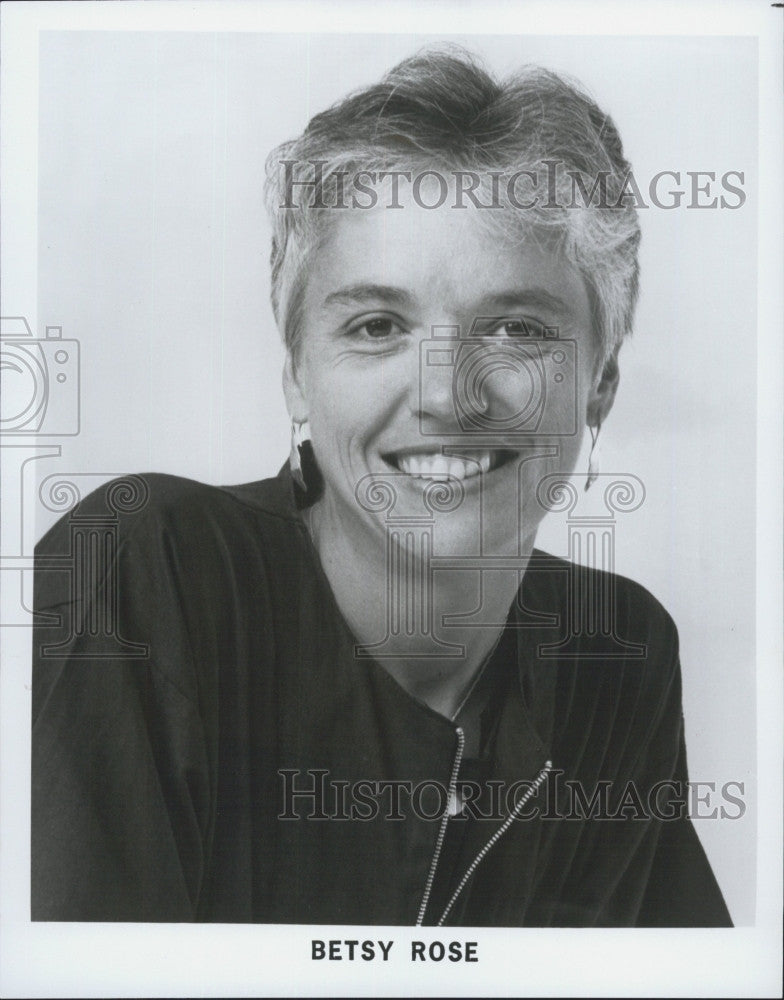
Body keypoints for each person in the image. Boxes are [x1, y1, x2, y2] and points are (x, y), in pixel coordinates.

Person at [31, 48, 732, 926]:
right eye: (376, 325)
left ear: (601, 380)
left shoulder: (615, 653)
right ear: (295, 373)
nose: (445, 394)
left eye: (515, 327)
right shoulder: (147, 575)